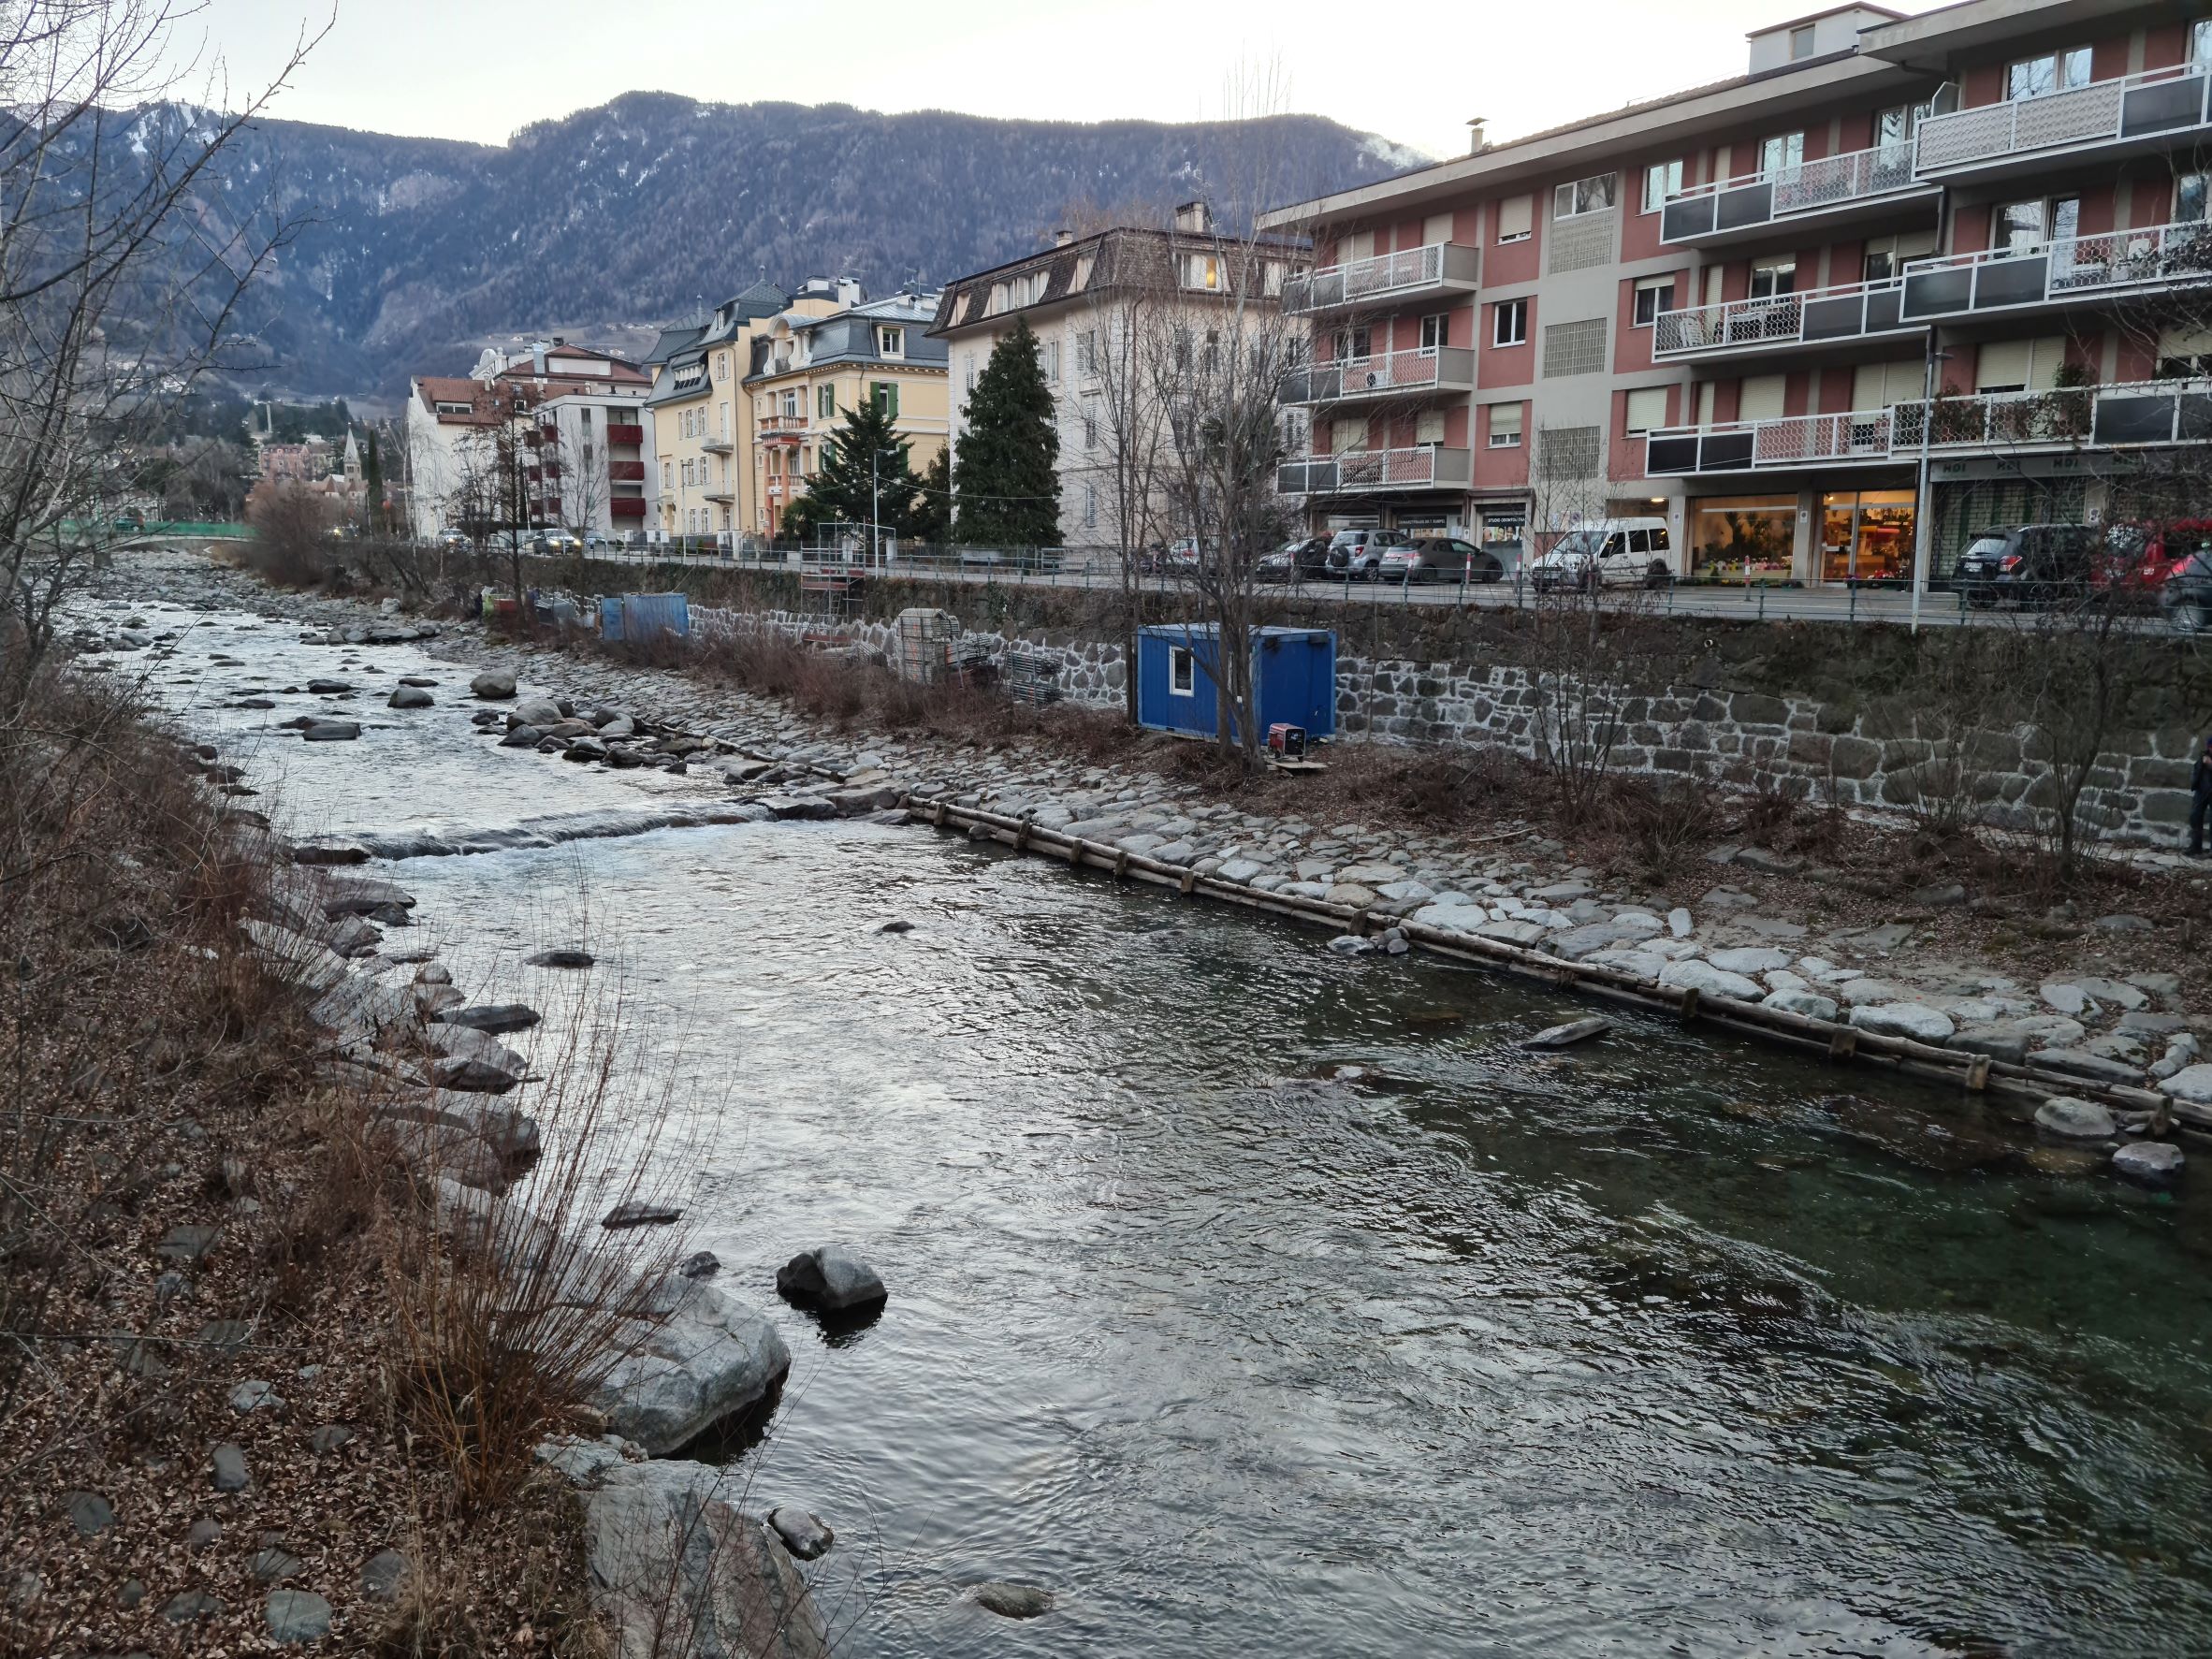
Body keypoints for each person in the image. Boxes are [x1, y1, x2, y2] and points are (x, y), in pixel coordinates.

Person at [2191, 735, 2212, 856]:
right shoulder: (2203, 757)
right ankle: (2195, 847)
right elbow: (2197, 771)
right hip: (2201, 791)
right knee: (2195, 818)